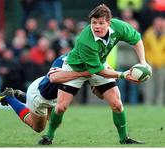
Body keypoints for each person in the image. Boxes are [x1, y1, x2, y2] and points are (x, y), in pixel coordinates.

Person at [53, 4, 150, 144]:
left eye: (100, 23)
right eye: (93, 23)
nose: (96, 26)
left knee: (117, 104)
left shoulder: (119, 27)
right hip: (76, 67)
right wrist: (122, 75)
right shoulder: (85, 40)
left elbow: (137, 40)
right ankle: (48, 137)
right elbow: (98, 71)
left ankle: (124, 139)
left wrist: (143, 62)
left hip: (99, 64)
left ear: (108, 23)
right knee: (61, 107)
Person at [0, 53, 133, 145]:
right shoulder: (64, 60)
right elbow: (55, 78)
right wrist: (83, 74)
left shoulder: (92, 60)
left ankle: (22, 96)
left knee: (56, 122)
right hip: (40, 95)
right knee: (38, 127)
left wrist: (101, 85)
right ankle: (10, 97)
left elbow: (100, 94)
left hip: (54, 97)